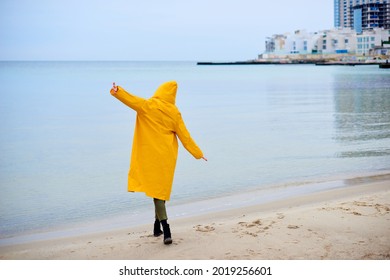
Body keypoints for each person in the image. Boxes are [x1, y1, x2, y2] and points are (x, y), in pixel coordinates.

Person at [110, 81, 207, 245]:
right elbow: (185, 137)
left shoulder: (149, 105)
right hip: (166, 158)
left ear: (159, 91)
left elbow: (132, 100)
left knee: (158, 194)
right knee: (159, 191)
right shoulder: (175, 113)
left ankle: (166, 229)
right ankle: (157, 227)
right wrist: (198, 153)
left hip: (150, 156)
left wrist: (118, 91)